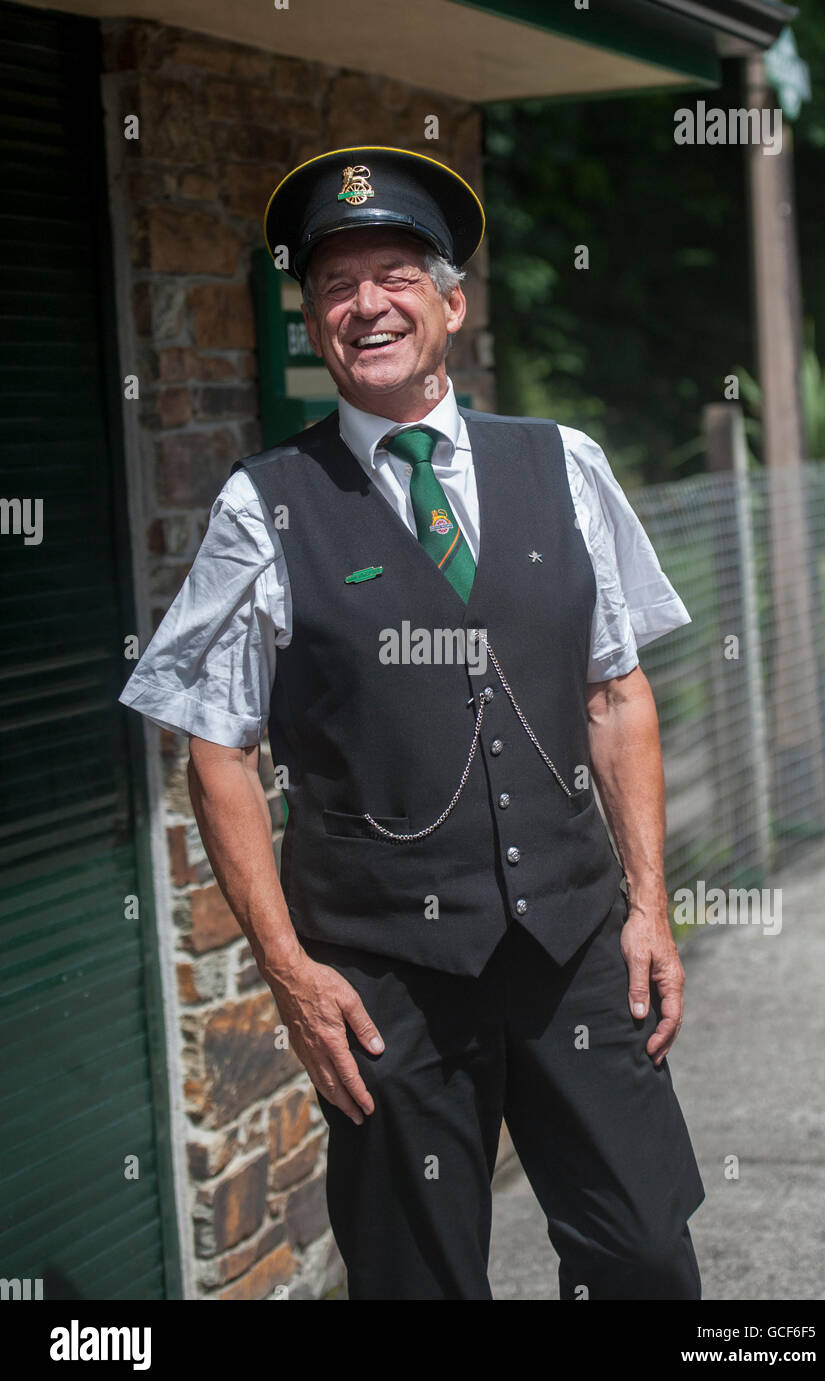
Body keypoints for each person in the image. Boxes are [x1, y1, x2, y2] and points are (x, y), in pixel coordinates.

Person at [119, 145, 705, 1300]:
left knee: (640, 1250)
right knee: (416, 1280)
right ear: (311, 321)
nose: (364, 304)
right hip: (384, 980)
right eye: (335, 285)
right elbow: (215, 748)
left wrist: (649, 908)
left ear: (449, 299)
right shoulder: (264, 506)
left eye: (394, 272)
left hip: (574, 948)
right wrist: (288, 973)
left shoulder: (564, 465)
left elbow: (613, 692)